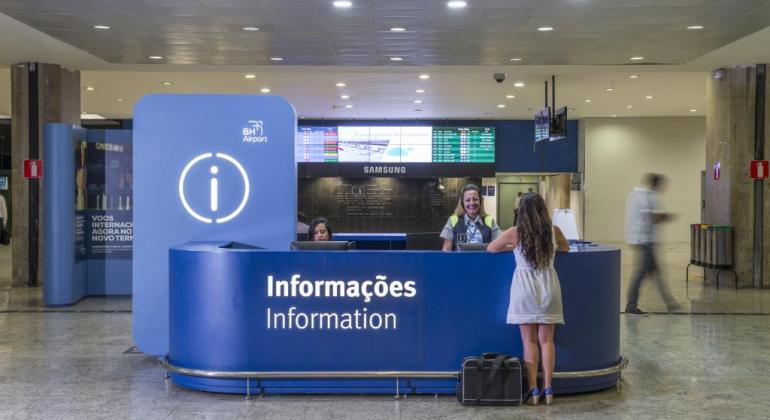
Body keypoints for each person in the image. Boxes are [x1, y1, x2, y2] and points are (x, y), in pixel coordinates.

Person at [487, 193, 569, 406]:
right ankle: (548, 388)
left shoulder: (515, 233)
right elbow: (566, 247)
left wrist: (511, 247)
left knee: (529, 341)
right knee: (547, 341)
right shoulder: (553, 231)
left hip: (524, 289)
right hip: (548, 288)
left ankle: (533, 390)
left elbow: (491, 248)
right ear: (543, 210)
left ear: (520, 212)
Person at [624, 173, 680, 317]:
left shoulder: (634, 194)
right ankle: (631, 306)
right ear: (655, 184)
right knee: (641, 274)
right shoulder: (645, 196)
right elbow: (651, 217)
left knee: (655, 273)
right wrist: (667, 216)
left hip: (641, 240)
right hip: (645, 242)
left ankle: (671, 303)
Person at [440, 184, 501, 251]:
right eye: (467, 200)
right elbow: (446, 249)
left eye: (475, 199)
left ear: (480, 201)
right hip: (460, 261)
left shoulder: (489, 220)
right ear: (462, 203)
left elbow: (499, 244)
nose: (472, 203)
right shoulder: (453, 220)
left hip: (483, 261)